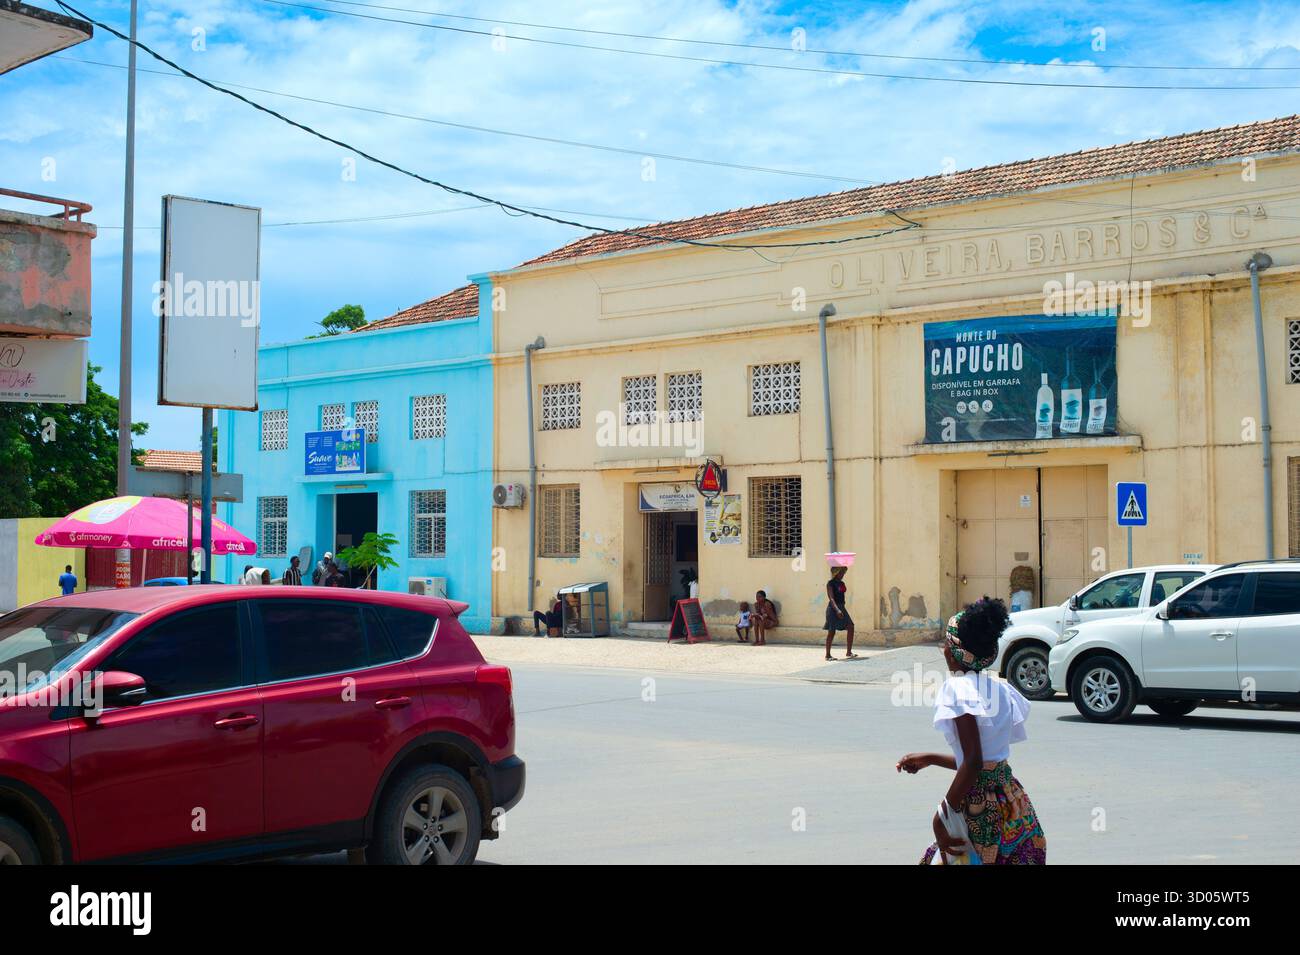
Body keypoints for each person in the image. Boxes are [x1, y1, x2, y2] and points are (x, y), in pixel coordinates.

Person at [896, 597, 1047, 865]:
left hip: (980, 808)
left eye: (945, 643)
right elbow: (985, 761)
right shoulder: (1002, 689)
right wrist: (930, 758)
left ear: (951, 652)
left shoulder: (957, 689)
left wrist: (941, 816)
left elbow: (975, 763)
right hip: (1010, 799)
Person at [824, 565, 857, 661]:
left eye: (843, 572)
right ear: (836, 573)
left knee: (850, 626)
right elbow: (831, 598)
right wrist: (837, 610)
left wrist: (841, 609)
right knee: (831, 631)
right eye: (841, 572)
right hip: (833, 608)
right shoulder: (830, 584)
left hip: (842, 607)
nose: (843, 574)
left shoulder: (841, 583)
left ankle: (849, 652)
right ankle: (828, 655)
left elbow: (842, 591)